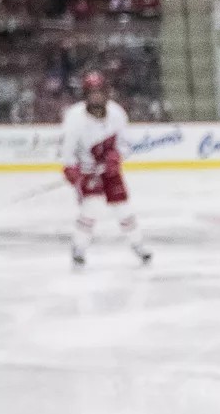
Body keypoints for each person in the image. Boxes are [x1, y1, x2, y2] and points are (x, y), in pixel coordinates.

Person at [58, 71, 151, 269]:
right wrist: (72, 171)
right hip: (87, 171)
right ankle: (79, 248)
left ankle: (138, 245)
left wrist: (116, 157)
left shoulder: (117, 114)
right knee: (91, 208)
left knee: (123, 208)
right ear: (85, 95)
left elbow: (126, 144)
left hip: (110, 171)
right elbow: (67, 150)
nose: (96, 96)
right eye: (92, 93)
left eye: (99, 92)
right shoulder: (75, 118)